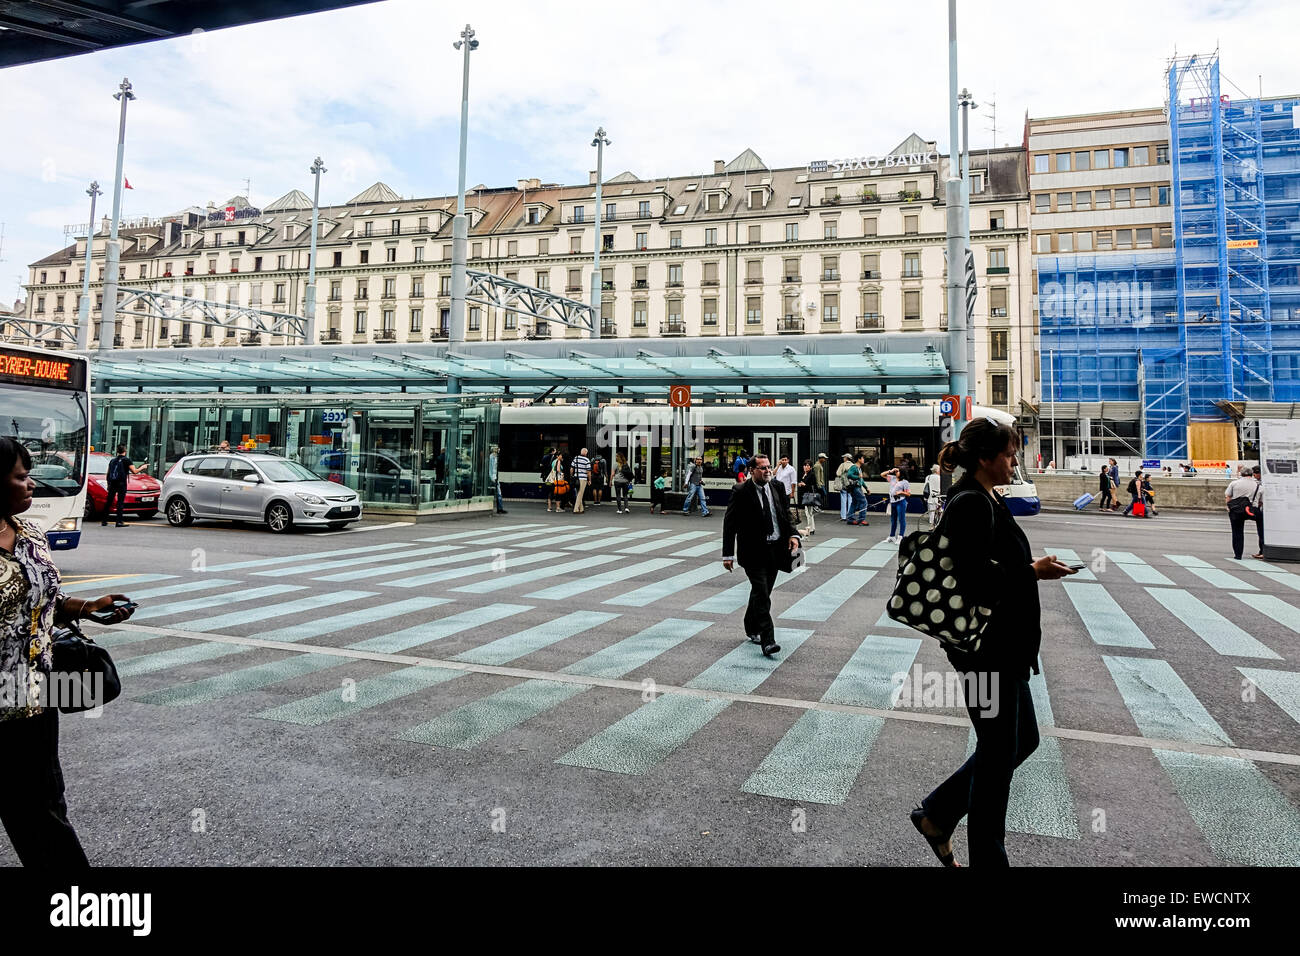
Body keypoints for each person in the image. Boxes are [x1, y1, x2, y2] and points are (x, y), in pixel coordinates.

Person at [909, 418, 1076, 868]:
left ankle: (939, 814)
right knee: (999, 756)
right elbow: (976, 581)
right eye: (1008, 454)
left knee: (1017, 744)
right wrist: (1031, 572)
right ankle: (986, 858)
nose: (1014, 460)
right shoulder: (971, 503)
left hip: (1002, 650)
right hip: (984, 654)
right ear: (985, 459)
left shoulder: (984, 497)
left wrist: (1034, 569)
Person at [1, 436, 137, 867]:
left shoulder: (28, 532)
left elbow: (38, 601)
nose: (31, 485)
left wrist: (86, 607)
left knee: (43, 813)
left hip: (32, 698)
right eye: (21, 477)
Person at [721, 454, 801, 658]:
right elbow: (730, 524)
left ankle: (751, 626)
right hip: (752, 552)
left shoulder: (776, 487)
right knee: (762, 593)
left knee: (762, 592)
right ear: (752, 471)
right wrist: (727, 554)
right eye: (763, 468)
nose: (767, 471)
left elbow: (785, 514)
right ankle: (768, 641)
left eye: (768, 467)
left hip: (775, 550)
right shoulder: (741, 491)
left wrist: (793, 535)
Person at [1225, 467, 1261, 560]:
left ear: (1241, 474)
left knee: (1237, 532)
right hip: (1253, 510)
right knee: (1261, 528)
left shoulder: (1234, 483)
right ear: (1252, 474)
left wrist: (1229, 507)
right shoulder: (1257, 485)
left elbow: (1228, 496)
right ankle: (1263, 549)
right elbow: (1261, 500)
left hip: (1237, 510)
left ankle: (1238, 554)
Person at [102, 444, 133, 528]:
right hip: (121, 484)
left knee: (109, 501)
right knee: (120, 502)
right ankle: (119, 521)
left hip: (112, 483)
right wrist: (143, 467)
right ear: (125, 451)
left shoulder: (112, 461)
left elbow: (108, 473)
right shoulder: (126, 460)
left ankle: (104, 521)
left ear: (117, 451)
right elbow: (134, 471)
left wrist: (108, 484)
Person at [883, 466, 911, 543]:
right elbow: (882, 474)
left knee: (901, 519)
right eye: (896, 471)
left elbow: (908, 494)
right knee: (893, 519)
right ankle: (892, 536)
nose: (896, 472)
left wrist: (901, 492)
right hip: (893, 502)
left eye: (897, 471)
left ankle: (900, 536)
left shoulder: (905, 482)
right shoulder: (892, 478)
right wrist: (891, 470)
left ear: (902, 472)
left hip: (901, 502)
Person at [797, 459, 819, 536]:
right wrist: (800, 484)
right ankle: (812, 528)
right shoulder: (804, 474)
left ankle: (810, 528)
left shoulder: (811, 475)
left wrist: (804, 485)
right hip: (805, 495)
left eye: (808, 466)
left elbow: (813, 486)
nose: (806, 467)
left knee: (809, 512)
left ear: (811, 467)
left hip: (809, 495)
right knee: (808, 512)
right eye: (805, 465)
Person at [846, 453, 869, 525]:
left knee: (854, 503)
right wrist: (858, 477)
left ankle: (850, 519)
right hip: (856, 487)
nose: (863, 460)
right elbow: (849, 475)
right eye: (862, 458)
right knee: (864, 502)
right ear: (859, 459)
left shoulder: (859, 468)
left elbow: (861, 480)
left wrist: (866, 488)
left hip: (856, 487)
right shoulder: (854, 467)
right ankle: (861, 519)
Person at [571, 447, 591, 514]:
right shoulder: (587, 460)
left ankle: (581, 509)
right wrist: (589, 480)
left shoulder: (575, 458)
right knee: (580, 494)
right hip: (583, 479)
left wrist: (572, 476)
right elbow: (588, 472)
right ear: (585, 453)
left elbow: (571, 469)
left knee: (579, 493)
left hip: (576, 478)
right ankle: (576, 509)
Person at [1251, 464, 1265, 558]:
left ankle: (1263, 552)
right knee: (1261, 532)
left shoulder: (1262, 484)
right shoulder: (1259, 483)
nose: (1254, 476)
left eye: (1255, 474)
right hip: (1262, 510)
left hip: (1264, 511)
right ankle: (1261, 551)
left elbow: (1262, 500)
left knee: (1262, 532)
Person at [488, 445, 506, 514]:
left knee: (498, 493)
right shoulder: (492, 457)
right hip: (493, 477)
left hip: (495, 477)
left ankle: (500, 508)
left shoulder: (495, 457)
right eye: (497, 448)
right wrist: (492, 478)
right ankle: (500, 508)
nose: (499, 449)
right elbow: (491, 468)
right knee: (498, 493)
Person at [835, 453, 854, 521]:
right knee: (850, 499)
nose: (843, 458)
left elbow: (838, 473)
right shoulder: (853, 465)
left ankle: (843, 516)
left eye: (844, 457)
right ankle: (850, 515)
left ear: (846, 458)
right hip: (851, 485)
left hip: (843, 485)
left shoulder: (842, 465)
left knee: (843, 500)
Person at [924, 464, 942, 529]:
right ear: (937, 471)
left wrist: (925, 497)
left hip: (930, 497)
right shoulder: (940, 477)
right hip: (938, 496)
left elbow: (925, 488)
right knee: (939, 511)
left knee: (931, 512)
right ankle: (938, 525)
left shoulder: (928, 477)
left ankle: (931, 526)